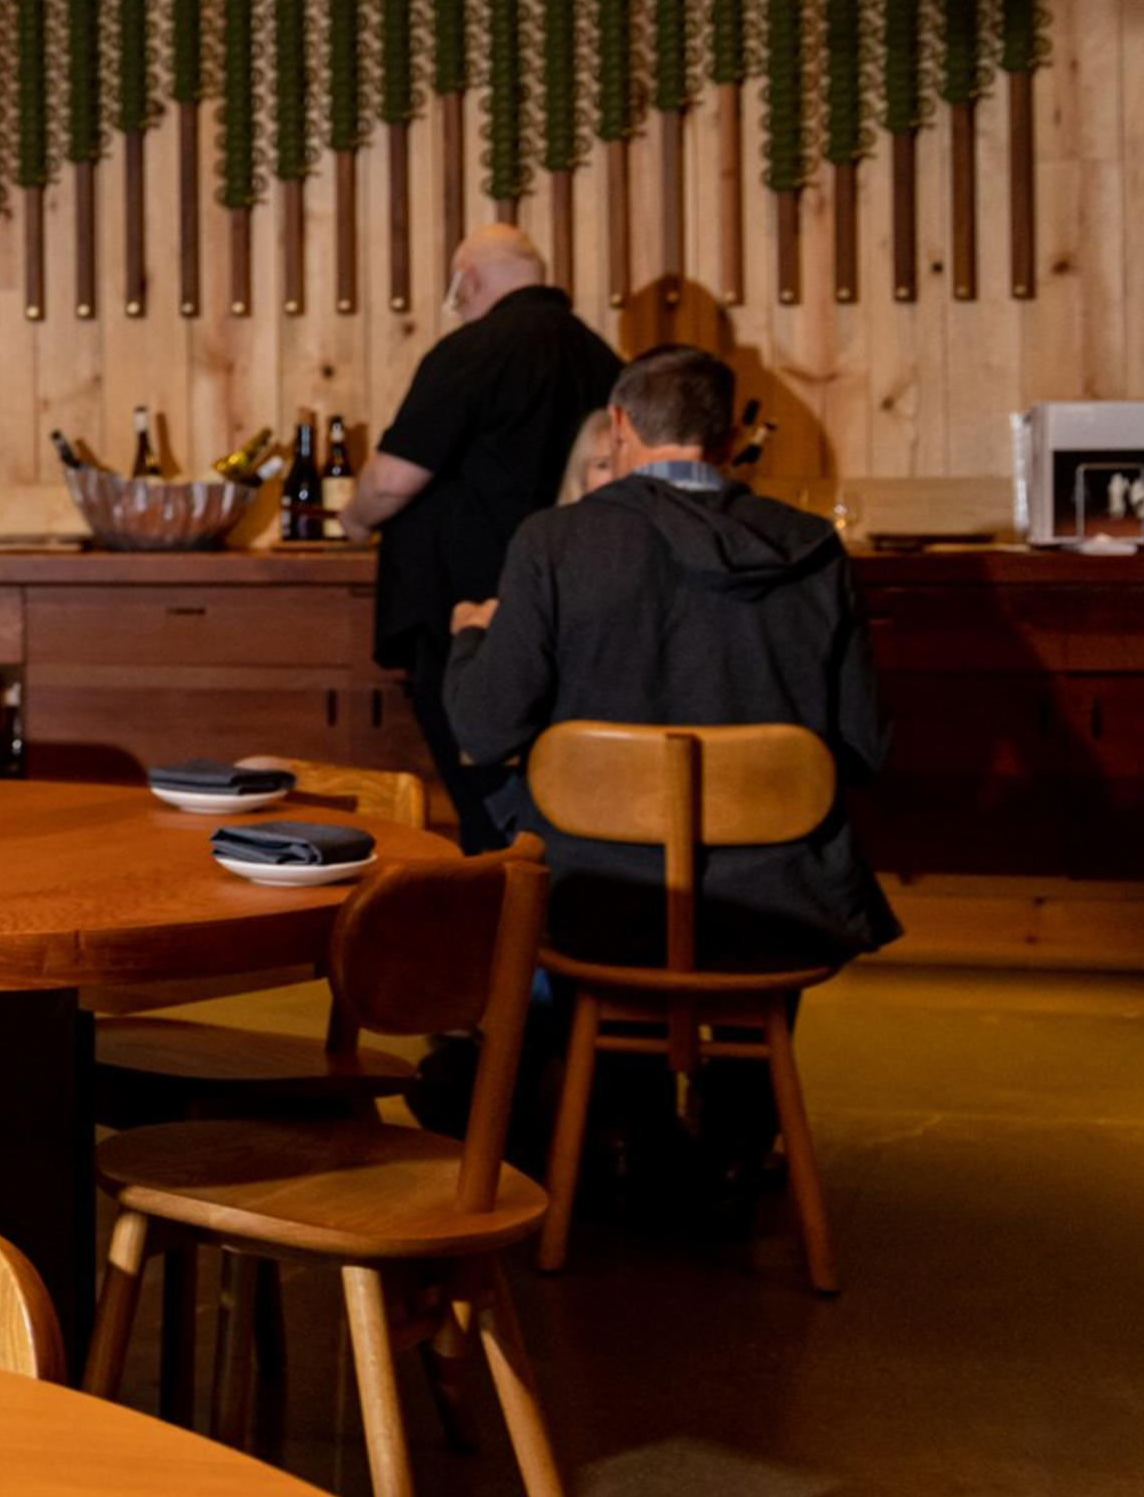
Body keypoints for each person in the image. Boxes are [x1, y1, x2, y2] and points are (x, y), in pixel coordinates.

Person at [443, 343, 898, 970]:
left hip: (595, 897)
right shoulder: (811, 545)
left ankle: (597, 1062)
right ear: (732, 436)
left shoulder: (556, 541)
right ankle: (745, 1073)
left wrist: (470, 637)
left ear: (621, 423)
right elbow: (864, 747)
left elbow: (485, 728)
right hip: (780, 900)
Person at [342, 224, 620, 848]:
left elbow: (390, 480)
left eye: (456, 290)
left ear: (467, 280)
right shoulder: (604, 359)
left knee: (479, 783)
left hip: (463, 605)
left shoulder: (473, 350)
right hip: (571, 602)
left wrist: (354, 521)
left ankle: (504, 914)